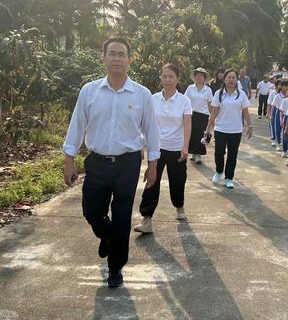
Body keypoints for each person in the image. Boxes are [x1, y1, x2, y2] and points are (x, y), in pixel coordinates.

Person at [63, 36, 160, 288]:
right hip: (96, 162)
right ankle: (106, 236)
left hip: (127, 164)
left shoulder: (142, 95)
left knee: (122, 217)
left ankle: (115, 267)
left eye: (122, 54)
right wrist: (69, 159)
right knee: (92, 211)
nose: (117, 58)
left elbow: (151, 132)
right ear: (103, 57)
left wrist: (153, 165)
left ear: (129, 59)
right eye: (112, 53)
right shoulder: (89, 91)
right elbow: (77, 125)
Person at [136, 63, 192, 234]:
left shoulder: (184, 100)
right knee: (151, 182)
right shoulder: (152, 99)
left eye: (171, 77)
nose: (167, 80)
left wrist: (185, 146)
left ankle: (179, 206)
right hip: (156, 148)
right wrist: (142, 145)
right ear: (161, 78)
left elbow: (188, 124)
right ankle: (147, 219)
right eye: (164, 76)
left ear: (177, 79)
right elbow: (144, 124)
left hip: (176, 149)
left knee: (178, 181)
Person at [206, 69, 253, 188]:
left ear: (236, 80)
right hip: (220, 128)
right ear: (224, 79)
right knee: (219, 152)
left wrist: (250, 126)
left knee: (232, 154)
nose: (231, 80)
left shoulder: (241, 94)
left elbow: (246, 112)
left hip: (236, 130)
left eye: (233, 77)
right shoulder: (219, 93)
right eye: (229, 77)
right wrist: (208, 128)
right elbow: (214, 112)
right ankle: (219, 171)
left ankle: (229, 177)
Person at [185, 67, 213, 164]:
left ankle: (198, 155)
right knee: (192, 134)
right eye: (197, 75)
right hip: (191, 114)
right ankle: (193, 153)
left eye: (201, 75)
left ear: (204, 77)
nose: (198, 77)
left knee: (200, 134)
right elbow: (185, 101)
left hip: (203, 115)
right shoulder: (190, 88)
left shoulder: (208, 90)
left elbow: (210, 105)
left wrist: (212, 119)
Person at [272, 80, 288, 151]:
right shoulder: (277, 96)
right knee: (278, 129)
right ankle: (278, 143)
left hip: (286, 113)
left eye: (287, 86)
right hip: (278, 112)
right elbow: (273, 106)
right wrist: (271, 115)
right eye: (285, 86)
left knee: (286, 129)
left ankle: (286, 144)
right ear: (281, 87)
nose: (286, 88)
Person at [267, 80, 281, 147]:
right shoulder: (273, 93)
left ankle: (279, 140)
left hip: (280, 110)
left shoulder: (285, 94)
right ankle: (273, 139)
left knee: (279, 127)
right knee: (272, 125)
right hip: (273, 109)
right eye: (280, 85)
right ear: (276, 86)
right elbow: (269, 103)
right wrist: (269, 113)